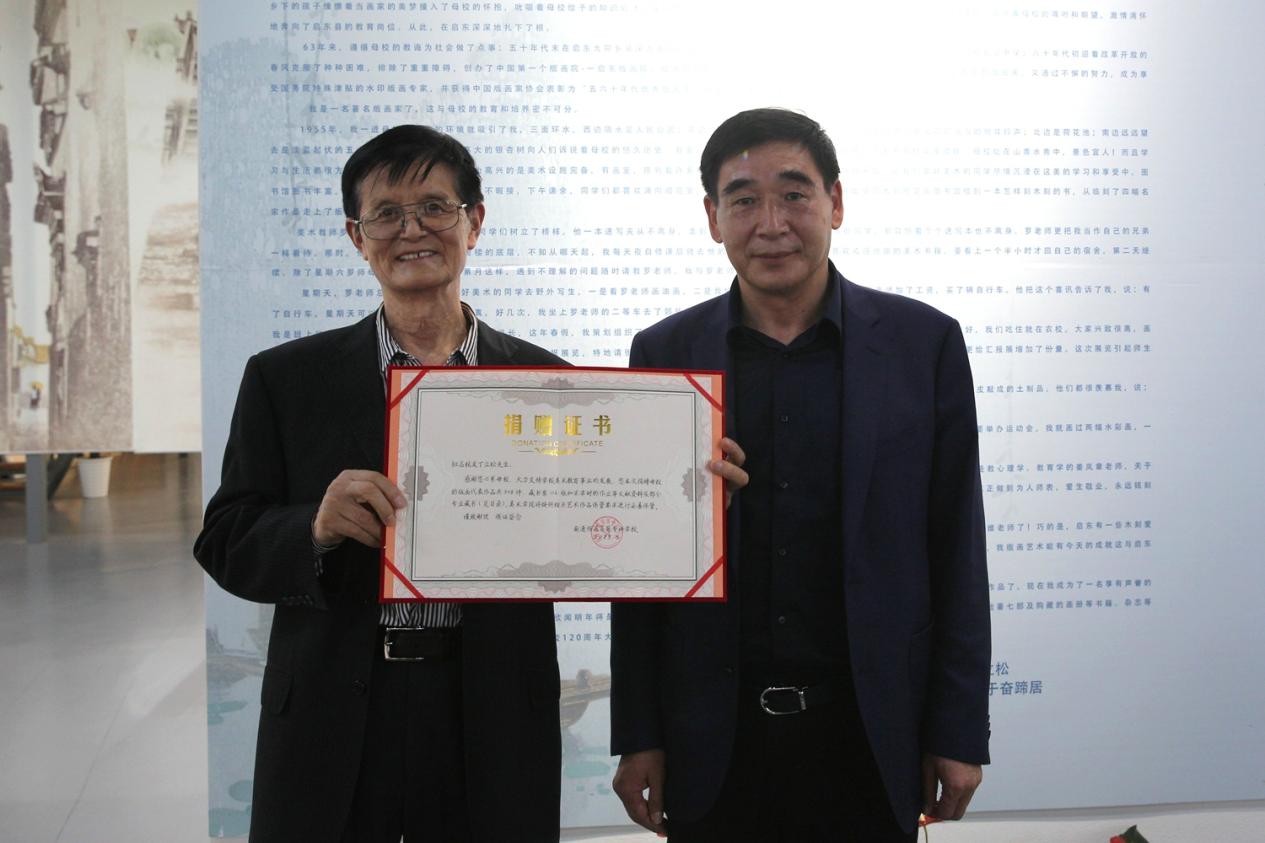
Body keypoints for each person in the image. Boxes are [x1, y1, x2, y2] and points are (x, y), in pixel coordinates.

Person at [610, 108, 991, 842]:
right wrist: (639, 732)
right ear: (712, 218)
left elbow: (956, 547)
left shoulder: (922, 345)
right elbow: (644, 572)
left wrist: (957, 726)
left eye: (793, 194)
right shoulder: (664, 352)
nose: (771, 223)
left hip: (869, 733)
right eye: (743, 199)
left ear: (835, 203)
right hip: (712, 739)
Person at [195, 125, 564, 843]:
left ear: (474, 222)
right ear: (356, 237)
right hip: (333, 706)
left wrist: (686, 489)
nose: (412, 230)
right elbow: (225, 539)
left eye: (434, 208)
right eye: (386, 214)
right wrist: (312, 527)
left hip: (489, 708)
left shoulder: (547, 384)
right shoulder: (284, 379)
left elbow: (588, 526)